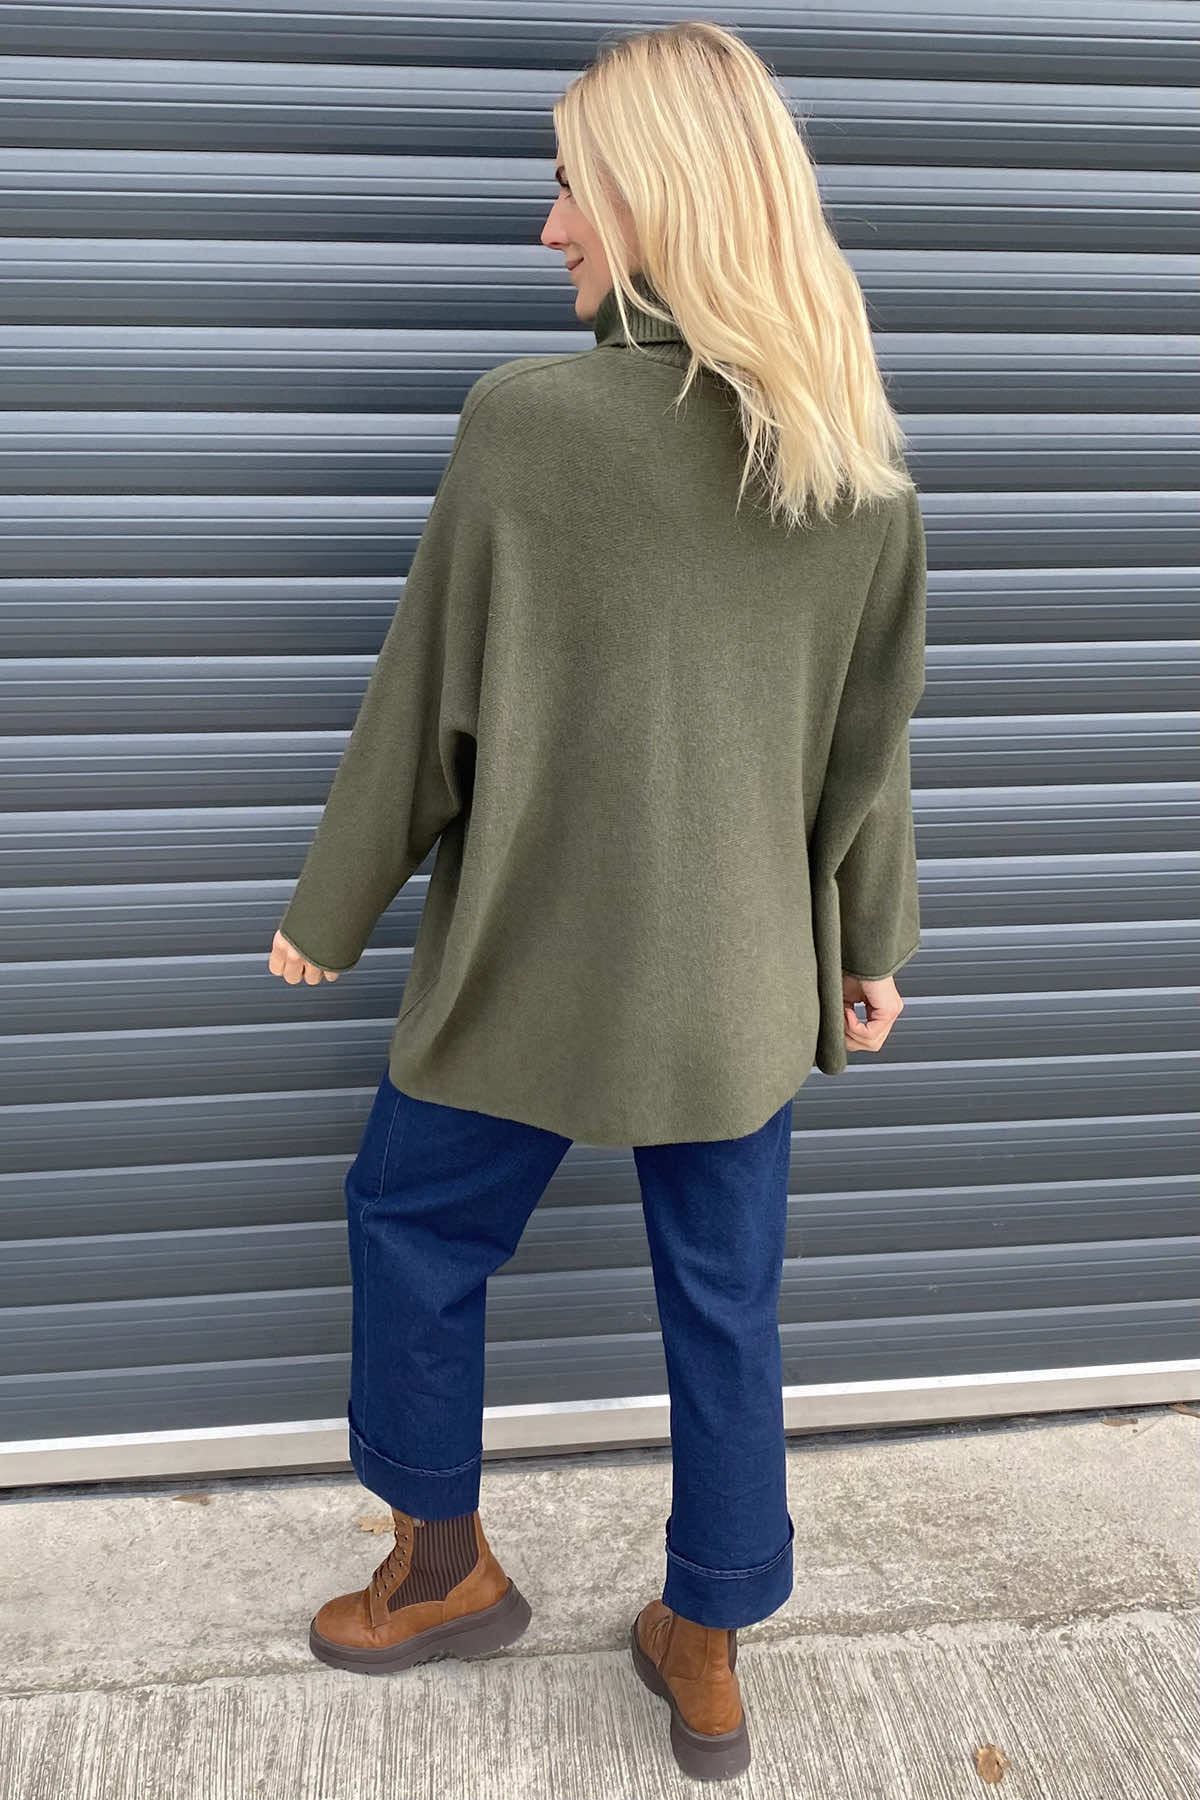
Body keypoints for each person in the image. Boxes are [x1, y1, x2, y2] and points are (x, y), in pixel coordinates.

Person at [267, 19, 926, 1783]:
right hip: (734, 990)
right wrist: (871, 945)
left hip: (529, 966)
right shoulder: (848, 454)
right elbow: (869, 753)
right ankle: (708, 1643)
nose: (548, 224)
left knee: (413, 1225)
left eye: (570, 187)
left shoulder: (528, 425)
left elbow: (425, 704)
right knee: (726, 1305)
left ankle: (441, 1571)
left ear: (655, 199)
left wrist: (333, 906)